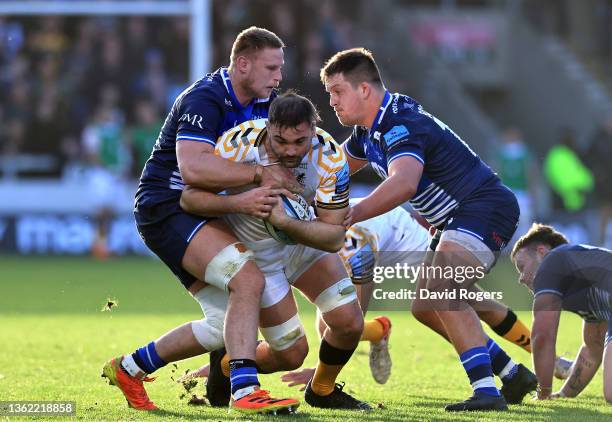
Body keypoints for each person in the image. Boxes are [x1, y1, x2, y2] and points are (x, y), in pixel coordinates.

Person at [319, 48, 535, 411]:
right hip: (456, 217)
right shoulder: (367, 132)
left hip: (483, 207)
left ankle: (486, 391)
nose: (332, 101)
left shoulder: (398, 123)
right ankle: (512, 375)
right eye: (329, 93)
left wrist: (351, 212)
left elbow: (403, 183)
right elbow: (330, 173)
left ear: (365, 91)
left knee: (443, 288)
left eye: (338, 91)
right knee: (424, 305)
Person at [101, 27, 302, 415]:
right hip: (168, 207)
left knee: (222, 323)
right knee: (248, 279)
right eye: (271, 67)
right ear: (242, 64)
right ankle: (245, 392)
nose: (279, 77)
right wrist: (259, 178)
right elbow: (193, 169)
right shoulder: (205, 98)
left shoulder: (268, 102)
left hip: (210, 207)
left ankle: (129, 368)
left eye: (281, 68)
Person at [184, 203, 571, 390]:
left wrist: (321, 370)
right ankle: (516, 372)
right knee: (458, 306)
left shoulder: (344, 240)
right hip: (384, 239)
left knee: (456, 304)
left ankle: (531, 368)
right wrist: (237, 351)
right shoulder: (276, 244)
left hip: (403, 241)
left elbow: (352, 299)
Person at [179, 92, 371, 410]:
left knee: (350, 322)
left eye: (300, 141)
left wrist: (284, 220)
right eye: (281, 141)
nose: (291, 150)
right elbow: (189, 199)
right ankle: (228, 362)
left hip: (304, 244)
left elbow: (334, 237)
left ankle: (322, 390)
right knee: (292, 355)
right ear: (268, 128)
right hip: (258, 258)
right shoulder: (236, 144)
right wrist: (239, 202)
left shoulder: (329, 157)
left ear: (313, 129)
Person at [511, 223, 612, 402]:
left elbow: (542, 337)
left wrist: (543, 393)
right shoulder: (585, 279)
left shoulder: (550, 263)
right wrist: (564, 394)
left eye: (522, 266)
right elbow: (592, 347)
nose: (521, 278)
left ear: (541, 251)